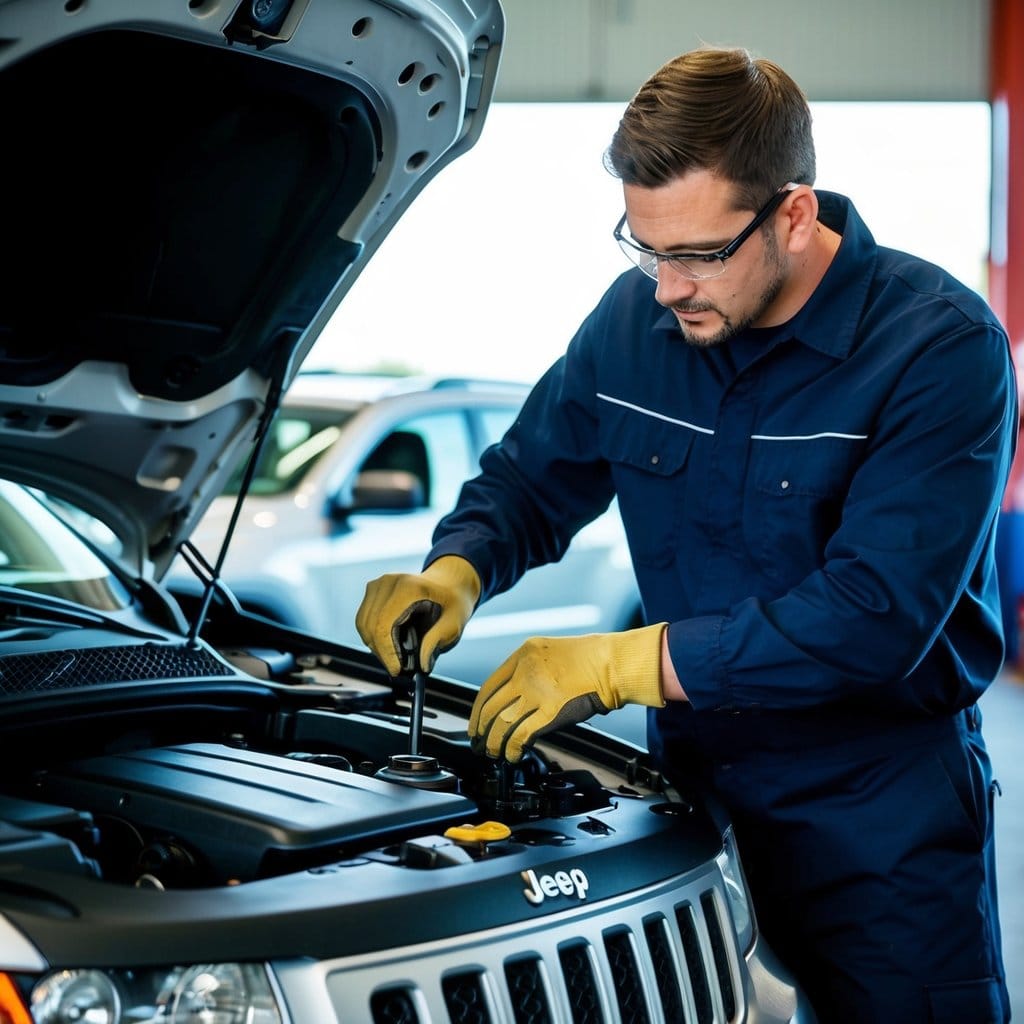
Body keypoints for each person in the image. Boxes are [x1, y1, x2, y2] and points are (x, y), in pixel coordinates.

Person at [355, 46, 1014, 1022]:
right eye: (644, 245)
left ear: (793, 212)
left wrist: (617, 665)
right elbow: (535, 474)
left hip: (875, 808)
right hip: (685, 789)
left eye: (698, 253)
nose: (667, 286)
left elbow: (874, 612)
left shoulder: (936, 348)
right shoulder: (636, 321)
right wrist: (458, 567)